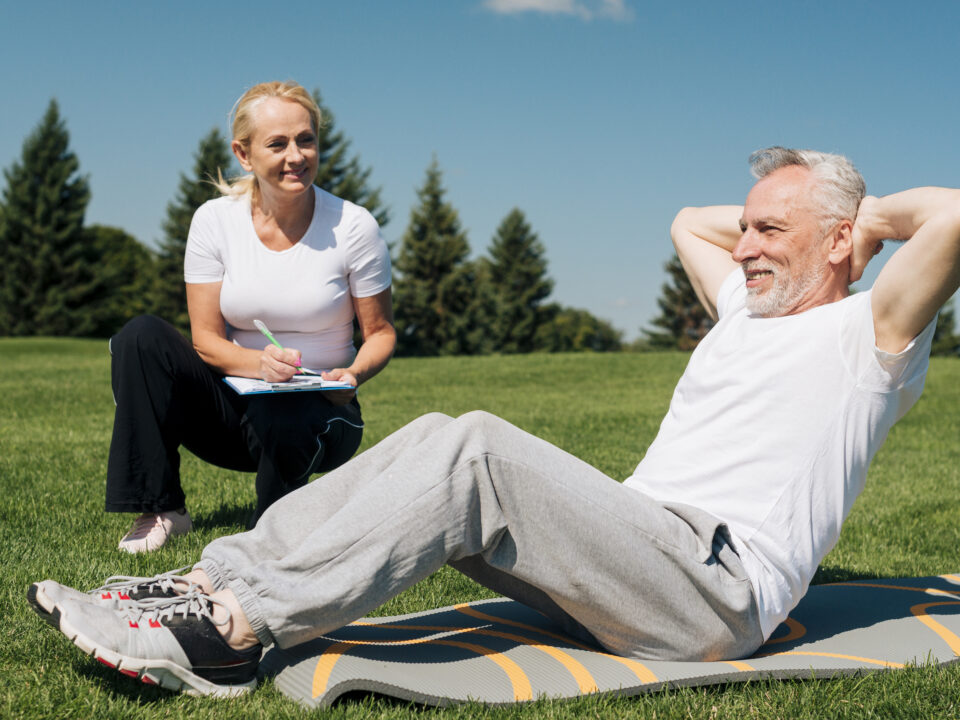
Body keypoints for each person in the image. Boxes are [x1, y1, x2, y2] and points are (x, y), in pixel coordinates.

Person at [30, 148, 960, 697]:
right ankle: (214, 580)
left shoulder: (868, 335)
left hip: (715, 591)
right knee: (440, 433)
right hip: (632, 551)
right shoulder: (745, 312)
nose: (745, 245)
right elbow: (688, 221)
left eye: (771, 231)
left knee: (475, 448)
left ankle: (229, 636)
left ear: (840, 245)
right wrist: (798, 212)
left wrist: (862, 216)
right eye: (748, 229)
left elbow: (950, 215)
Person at [105, 81, 395, 552]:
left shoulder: (354, 226)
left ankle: (273, 528)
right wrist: (259, 366)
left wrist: (353, 375)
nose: (296, 156)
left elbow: (380, 333)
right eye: (277, 144)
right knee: (141, 337)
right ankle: (161, 509)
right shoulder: (215, 221)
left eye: (306, 140)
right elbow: (204, 340)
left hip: (323, 415)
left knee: (285, 408)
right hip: (232, 413)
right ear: (244, 154)